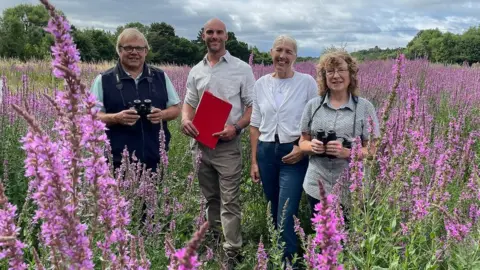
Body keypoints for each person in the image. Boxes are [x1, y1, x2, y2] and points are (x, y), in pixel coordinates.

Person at [180, 18, 255, 268]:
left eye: (219, 32)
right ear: (204, 36)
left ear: (226, 37)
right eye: (210, 32)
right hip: (200, 144)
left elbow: (252, 107)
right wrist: (185, 119)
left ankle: (232, 249)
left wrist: (235, 127)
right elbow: (189, 102)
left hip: (227, 146)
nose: (214, 36)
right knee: (210, 197)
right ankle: (213, 239)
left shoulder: (241, 68)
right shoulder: (196, 70)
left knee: (230, 200)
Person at [249, 35, 317, 265]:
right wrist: (254, 161)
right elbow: (255, 124)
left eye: (289, 52)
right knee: (273, 206)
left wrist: (301, 148)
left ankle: (289, 260)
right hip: (267, 151)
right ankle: (279, 254)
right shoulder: (261, 84)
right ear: (271, 52)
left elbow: (314, 120)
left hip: (293, 152)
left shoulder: (306, 82)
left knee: (287, 210)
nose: (283, 56)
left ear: (295, 56)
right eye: (279, 50)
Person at [299, 48, 380, 219]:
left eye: (341, 70)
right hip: (317, 183)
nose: (336, 76)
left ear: (351, 75)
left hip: (351, 186)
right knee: (324, 236)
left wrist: (348, 152)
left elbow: (372, 150)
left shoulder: (365, 107)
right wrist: (312, 146)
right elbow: (302, 141)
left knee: (349, 237)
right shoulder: (313, 106)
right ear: (324, 77)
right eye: (330, 71)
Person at [90, 28, 181, 173]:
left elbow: (176, 109)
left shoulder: (160, 76)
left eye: (139, 48)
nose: (134, 52)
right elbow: (91, 117)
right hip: (117, 161)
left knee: (155, 194)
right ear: (119, 50)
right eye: (128, 48)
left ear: (146, 51)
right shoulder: (104, 79)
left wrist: (161, 115)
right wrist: (116, 118)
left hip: (155, 158)